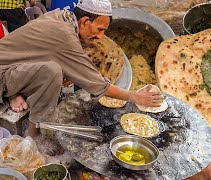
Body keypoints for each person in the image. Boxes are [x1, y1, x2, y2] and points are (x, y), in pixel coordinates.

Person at [0, 0, 163, 139]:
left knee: (55, 71)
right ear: (85, 21)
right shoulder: (64, 35)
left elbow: (40, 53)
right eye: (100, 29)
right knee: (53, 71)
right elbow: (98, 85)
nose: (101, 36)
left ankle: (19, 100)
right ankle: (35, 134)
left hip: (12, 68)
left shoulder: (60, 17)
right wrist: (135, 97)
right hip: (2, 74)